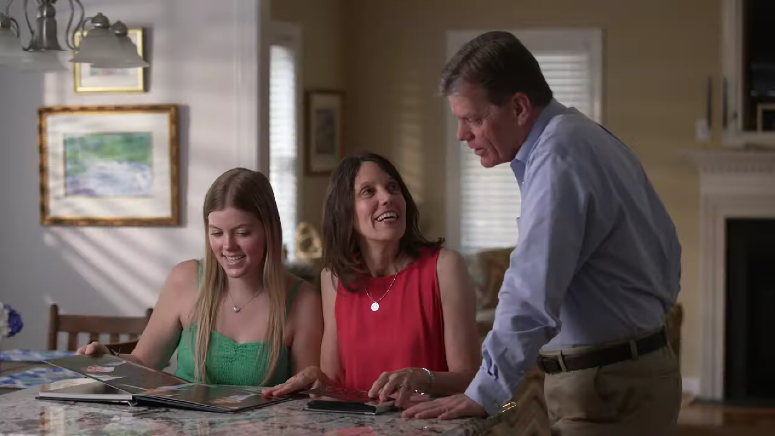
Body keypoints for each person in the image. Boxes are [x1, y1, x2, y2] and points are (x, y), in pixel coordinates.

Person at [405, 31, 683, 434]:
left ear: (519, 106)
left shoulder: (558, 156)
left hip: (607, 389)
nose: (462, 135)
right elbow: (668, 253)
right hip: (632, 374)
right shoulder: (584, 136)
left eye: (473, 119)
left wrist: (484, 392)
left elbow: (530, 290)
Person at [264, 152, 481, 410]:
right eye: (368, 192)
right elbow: (334, 383)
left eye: (392, 188)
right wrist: (317, 379)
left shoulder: (444, 267)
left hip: (424, 426)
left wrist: (424, 377)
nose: (387, 197)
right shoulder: (332, 279)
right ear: (345, 212)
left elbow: (471, 379)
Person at [77, 168, 323, 386]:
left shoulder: (303, 300)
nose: (228, 246)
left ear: (269, 230)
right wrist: (109, 359)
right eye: (216, 233)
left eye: (243, 232)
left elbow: (302, 397)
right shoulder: (184, 279)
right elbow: (143, 361)